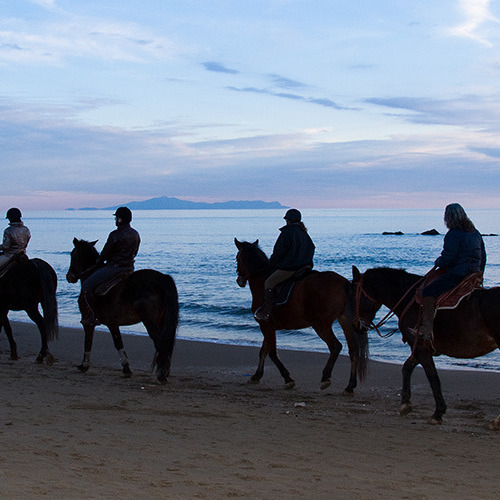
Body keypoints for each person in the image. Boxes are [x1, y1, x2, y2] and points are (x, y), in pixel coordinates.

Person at [419, 203, 486, 340]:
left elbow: (448, 259)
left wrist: (438, 261)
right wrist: (479, 274)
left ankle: (426, 330)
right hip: (473, 274)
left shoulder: (453, 234)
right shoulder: (475, 232)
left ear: (448, 217)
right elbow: (483, 256)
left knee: (428, 292)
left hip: (458, 274)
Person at [80, 206, 141, 325]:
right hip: (129, 268)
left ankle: (94, 315)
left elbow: (104, 255)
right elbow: (135, 253)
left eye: (117, 218)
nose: (115, 221)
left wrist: (99, 261)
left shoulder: (115, 235)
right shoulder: (136, 234)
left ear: (120, 219)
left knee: (87, 285)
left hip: (114, 268)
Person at [254, 208, 315, 321]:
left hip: (290, 268)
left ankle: (267, 312)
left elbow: (279, 252)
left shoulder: (287, 232)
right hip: (305, 267)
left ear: (288, 220)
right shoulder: (303, 232)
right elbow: (312, 248)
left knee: (269, 282)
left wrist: (271, 264)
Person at [0, 207, 31, 272]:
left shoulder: (8, 230)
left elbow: (6, 246)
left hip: (9, 256)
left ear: (10, 218)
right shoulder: (26, 229)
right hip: (23, 254)